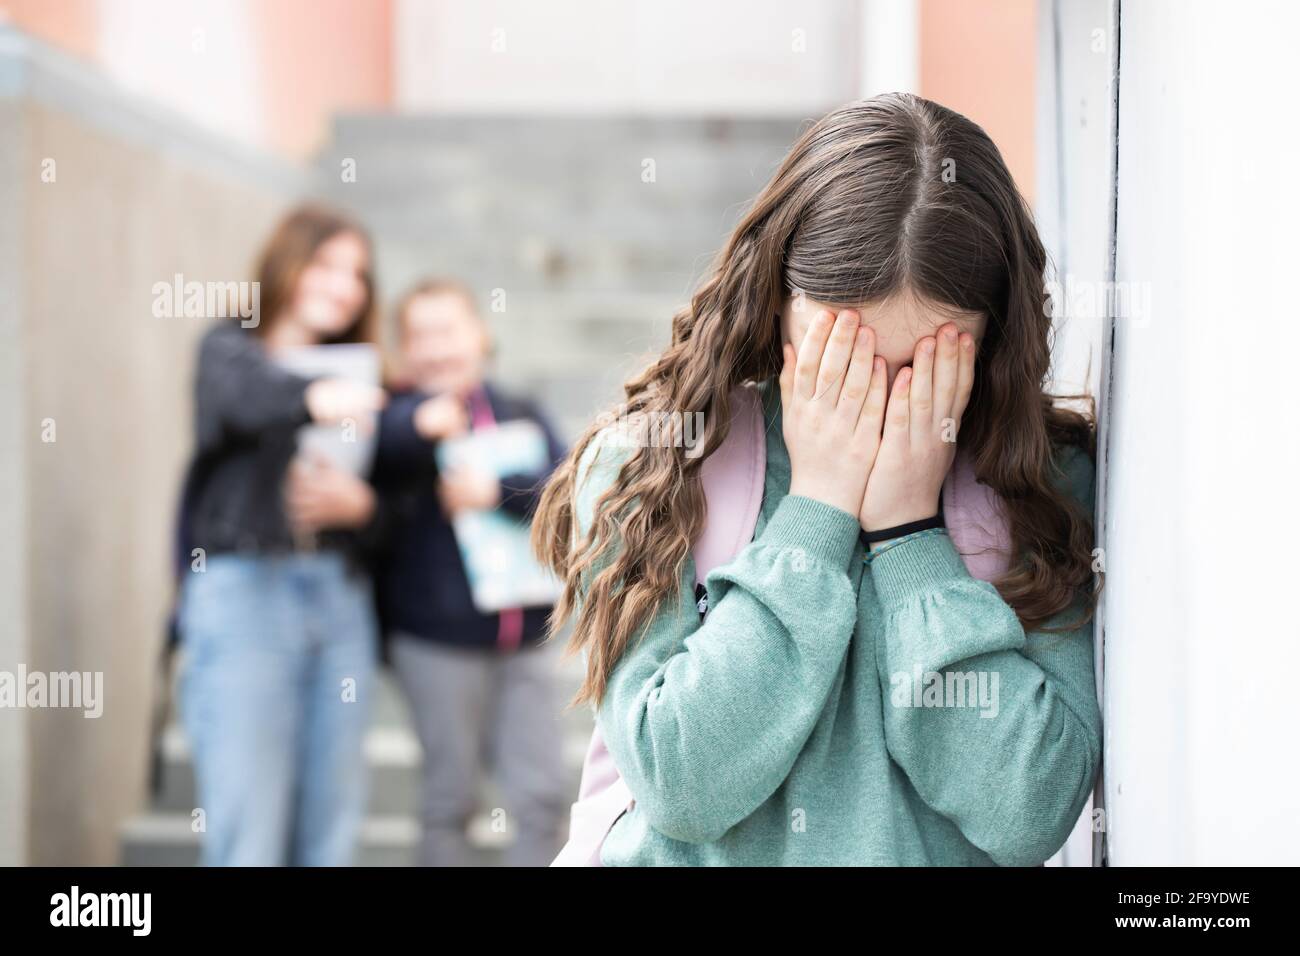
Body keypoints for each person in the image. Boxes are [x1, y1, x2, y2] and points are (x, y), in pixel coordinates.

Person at [532, 94, 1102, 866]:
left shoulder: (1037, 482)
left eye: (921, 369)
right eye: (844, 353)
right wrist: (818, 510)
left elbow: (1031, 809)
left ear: (992, 336)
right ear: (777, 299)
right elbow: (683, 785)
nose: (875, 397)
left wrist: (909, 535)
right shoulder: (653, 466)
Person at [176, 205, 387, 866]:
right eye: (327, 265)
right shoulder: (229, 350)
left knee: (330, 829)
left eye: (356, 274)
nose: (344, 286)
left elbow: (406, 498)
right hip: (246, 594)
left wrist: (363, 509)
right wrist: (313, 397)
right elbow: (246, 395)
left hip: (340, 600)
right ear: (287, 262)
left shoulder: (365, 372)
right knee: (249, 831)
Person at [371, 279, 570, 867]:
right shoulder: (391, 420)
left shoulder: (520, 414)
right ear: (402, 351)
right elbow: (372, 465)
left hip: (526, 636)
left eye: (448, 331)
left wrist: (495, 493)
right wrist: (416, 426)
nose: (436, 348)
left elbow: (568, 498)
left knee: (541, 797)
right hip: (436, 643)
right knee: (449, 798)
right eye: (419, 336)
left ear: (480, 336)